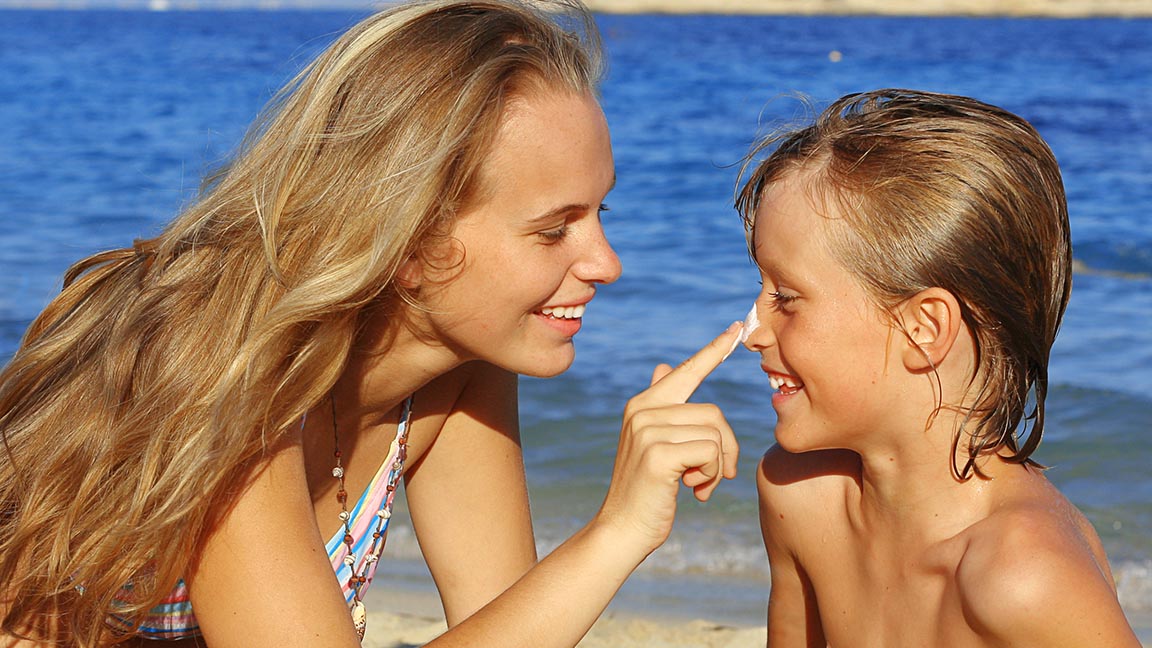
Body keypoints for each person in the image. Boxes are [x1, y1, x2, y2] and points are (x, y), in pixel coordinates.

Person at [0, 1, 744, 646]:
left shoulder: (458, 362)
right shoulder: (224, 376)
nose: (607, 263)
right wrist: (615, 533)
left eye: (599, 212)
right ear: (411, 244)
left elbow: (509, 622)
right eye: (555, 230)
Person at [736, 89, 1140, 646]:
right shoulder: (799, 495)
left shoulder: (1025, 575)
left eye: (786, 297)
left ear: (923, 329)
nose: (750, 332)